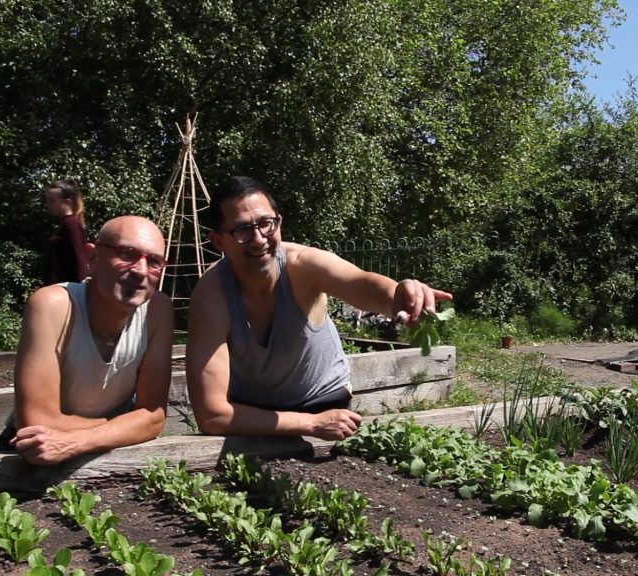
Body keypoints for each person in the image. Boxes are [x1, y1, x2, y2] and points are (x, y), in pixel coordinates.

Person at [186, 176, 452, 441]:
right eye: (242, 230)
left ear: (279, 222)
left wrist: (398, 293)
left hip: (325, 404)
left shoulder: (303, 266)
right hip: (252, 415)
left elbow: (361, 284)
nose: (259, 239)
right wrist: (310, 424)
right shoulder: (212, 295)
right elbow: (212, 415)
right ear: (219, 241)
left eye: (267, 224)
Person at [0, 215, 174, 465]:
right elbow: (37, 421)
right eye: (127, 254)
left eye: (154, 261)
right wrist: (126, 426)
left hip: (99, 449)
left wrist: (76, 442)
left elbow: (153, 417)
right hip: (33, 450)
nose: (140, 270)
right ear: (92, 257)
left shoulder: (158, 311)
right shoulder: (54, 305)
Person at [43, 179, 90, 284]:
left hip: (68, 289)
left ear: (68, 202)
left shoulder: (71, 224)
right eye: (47, 200)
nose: (48, 204)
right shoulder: (65, 224)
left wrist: (82, 286)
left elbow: (79, 256)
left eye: (52, 200)